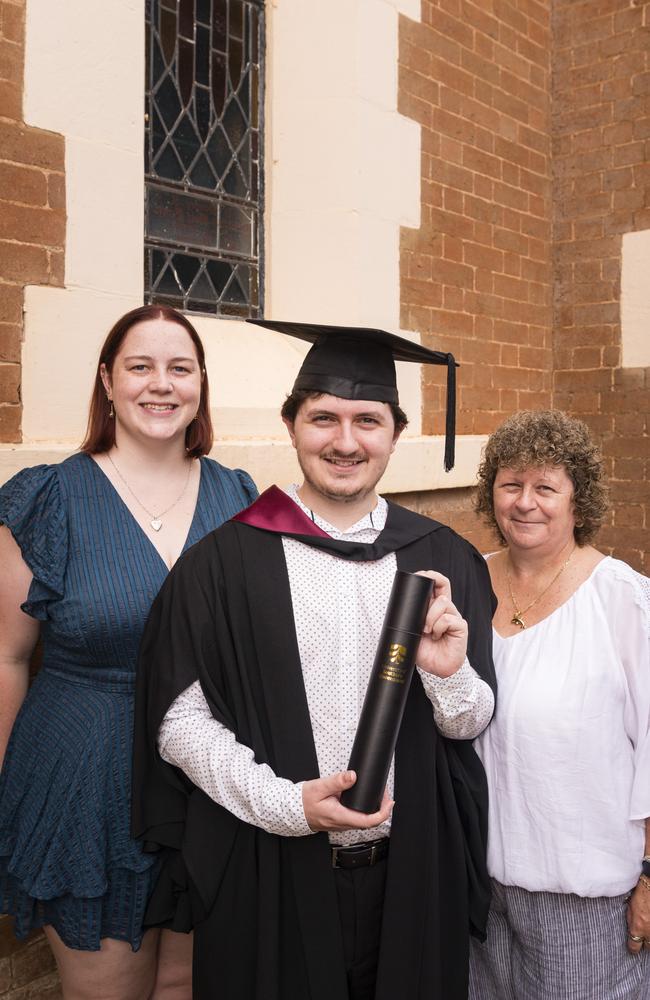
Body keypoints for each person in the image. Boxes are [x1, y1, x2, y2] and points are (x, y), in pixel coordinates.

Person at [133, 320, 497, 1000]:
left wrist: (448, 676)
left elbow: (471, 726)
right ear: (292, 425)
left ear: (396, 432)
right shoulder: (221, 563)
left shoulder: (445, 560)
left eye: (368, 420)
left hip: (413, 878)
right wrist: (288, 804)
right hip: (269, 870)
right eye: (323, 418)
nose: (346, 441)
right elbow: (178, 723)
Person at [0, 305, 257, 1000]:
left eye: (180, 368)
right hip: (86, 781)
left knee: (187, 987)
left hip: (207, 780)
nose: (160, 384)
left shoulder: (237, 497)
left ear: (201, 383)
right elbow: (7, 658)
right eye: (140, 366)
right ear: (107, 381)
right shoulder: (48, 499)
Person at [469, 409, 650, 1000]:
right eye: (511, 484)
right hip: (479, 892)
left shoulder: (620, 599)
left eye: (546, 486)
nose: (526, 502)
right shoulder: (468, 583)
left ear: (578, 500)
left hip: (583, 900)